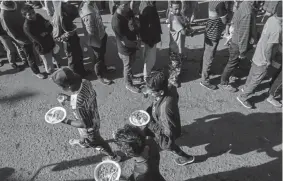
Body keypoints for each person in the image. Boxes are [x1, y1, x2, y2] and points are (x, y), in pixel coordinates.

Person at [51, 67, 121, 162]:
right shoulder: (85, 82)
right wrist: (69, 98)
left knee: (97, 142)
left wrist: (64, 120)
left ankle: (113, 156)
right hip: (94, 116)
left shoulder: (77, 104)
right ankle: (82, 142)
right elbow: (85, 97)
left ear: (67, 87)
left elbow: (82, 124)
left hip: (89, 127)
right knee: (83, 134)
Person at [143, 71, 195, 166]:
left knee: (168, 146)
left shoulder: (164, 111)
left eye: (152, 91)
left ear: (161, 92)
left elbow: (167, 133)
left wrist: (149, 123)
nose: (149, 92)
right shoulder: (170, 87)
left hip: (166, 131)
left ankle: (186, 157)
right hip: (171, 119)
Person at [237, 5, 282, 109]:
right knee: (256, 80)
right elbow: (269, 48)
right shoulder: (278, 29)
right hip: (263, 59)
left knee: (252, 74)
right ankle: (243, 97)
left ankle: (245, 88)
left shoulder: (271, 19)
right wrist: (268, 61)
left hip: (257, 53)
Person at [0, 1, 45, 79]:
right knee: (30, 56)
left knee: (40, 50)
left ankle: (44, 63)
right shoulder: (4, 15)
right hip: (22, 38)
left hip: (31, 32)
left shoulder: (19, 3)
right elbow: (9, 31)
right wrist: (21, 41)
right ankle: (36, 72)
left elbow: (29, 10)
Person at [220, 1, 258, 92]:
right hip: (238, 43)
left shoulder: (244, 4)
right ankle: (224, 82)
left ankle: (231, 76)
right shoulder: (247, 12)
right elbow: (244, 35)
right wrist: (242, 51)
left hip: (236, 40)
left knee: (233, 62)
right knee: (231, 63)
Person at [79, 0, 116, 85]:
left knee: (101, 56)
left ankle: (103, 68)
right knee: (98, 57)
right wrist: (98, 43)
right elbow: (91, 32)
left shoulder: (91, 3)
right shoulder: (88, 12)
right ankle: (100, 75)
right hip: (97, 39)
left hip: (101, 34)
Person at [52, 1, 89, 78]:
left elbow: (74, 14)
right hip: (68, 43)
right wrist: (65, 35)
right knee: (72, 61)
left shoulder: (66, 12)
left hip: (74, 38)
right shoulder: (58, 20)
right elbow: (56, 37)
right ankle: (74, 77)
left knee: (79, 56)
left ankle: (82, 72)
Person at [111, 1, 142, 93]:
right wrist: (137, 44)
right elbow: (124, 41)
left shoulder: (127, 11)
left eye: (128, 3)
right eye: (125, 5)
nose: (128, 6)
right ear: (117, 5)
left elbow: (134, 21)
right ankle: (128, 84)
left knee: (132, 62)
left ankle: (131, 77)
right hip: (125, 48)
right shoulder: (116, 22)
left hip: (132, 43)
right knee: (127, 66)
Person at [200, 1, 230, 90]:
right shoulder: (220, 4)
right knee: (209, 57)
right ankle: (204, 80)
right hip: (213, 34)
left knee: (206, 54)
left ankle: (201, 72)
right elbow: (225, 20)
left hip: (210, 30)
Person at [21, 4, 60, 75]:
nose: (33, 15)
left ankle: (57, 71)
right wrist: (46, 31)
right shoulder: (27, 27)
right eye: (29, 14)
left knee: (55, 59)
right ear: (25, 16)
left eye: (33, 12)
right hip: (43, 48)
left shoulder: (38, 16)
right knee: (49, 66)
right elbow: (39, 39)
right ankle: (54, 76)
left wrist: (45, 32)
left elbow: (50, 27)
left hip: (50, 42)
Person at [168, 1, 193, 88]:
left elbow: (186, 24)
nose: (177, 10)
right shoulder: (174, 19)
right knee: (176, 66)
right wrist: (190, 31)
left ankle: (176, 75)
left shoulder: (179, 16)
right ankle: (172, 79)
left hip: (179, 46)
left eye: (179, 8)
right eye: (175, 9)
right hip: (175, 48)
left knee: (177, 63)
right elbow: (183, 31)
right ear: (171, 8)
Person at [139, 1, 162, 82]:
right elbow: (150, 26)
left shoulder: (145, 5)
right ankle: (147, 77)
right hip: (151, 38)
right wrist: (151, 40)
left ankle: (147, 73)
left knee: (147, 55)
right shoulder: (149, 8)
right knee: (150, 58)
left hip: (148, 38)